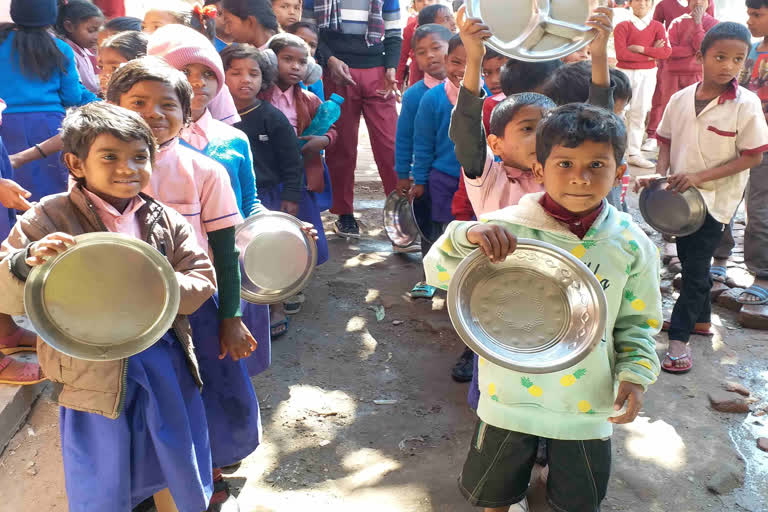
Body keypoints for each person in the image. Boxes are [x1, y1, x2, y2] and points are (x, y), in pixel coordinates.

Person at [429, 19, 661, 512]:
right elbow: (439, 272)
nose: (580, 178)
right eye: (564, 165)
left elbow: (639, 321)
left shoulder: (630, 244)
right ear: (538, 169)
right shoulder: (509, 226)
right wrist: (465, 233)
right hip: (508, 396)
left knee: (576, 501)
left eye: (597, 166)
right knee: (494, 496)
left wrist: (636, 373)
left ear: (620, 171)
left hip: (587, 403)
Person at [0, 102, 217, 512]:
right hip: (88, 370)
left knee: (171, 452)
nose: (128, 168)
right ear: (75, 163)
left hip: (161, 357)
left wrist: (158, 287)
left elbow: (201, 279)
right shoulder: (47, 218)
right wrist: (25, 261)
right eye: (110, 157)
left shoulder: (165, 219)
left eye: (140, 157)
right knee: (103, 467)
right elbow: (2, 289)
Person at [106, 57, 262, 508]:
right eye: (138, 102)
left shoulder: (203, 171)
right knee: (141, 399)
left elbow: (226, 253)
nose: (152, 113)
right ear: (113, 105)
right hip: (122, 310)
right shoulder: (104, 171)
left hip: (194, 305)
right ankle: (145, 483)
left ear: (188, 112)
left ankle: (205, 474)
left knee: (207, 389)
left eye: (167, 104)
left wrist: (231, 316)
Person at [451, 5, 619, 387]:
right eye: (527, 128)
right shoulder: (487, 175)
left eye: (546, 128)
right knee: (499, 379)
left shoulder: (558, 175)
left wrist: (598, 54)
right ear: (495, 142)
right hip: (498, 288)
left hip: (561, 288)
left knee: (559, 370)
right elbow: (465, 130)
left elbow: (598, 124)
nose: (539, 136)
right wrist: (474, 59)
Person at [640, 22, 768, 373]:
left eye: (738, 59)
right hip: (680, 200)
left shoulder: (746, 104)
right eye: (720, 57)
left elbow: (752, 156)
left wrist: (698, 177)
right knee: (688, 254)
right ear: (701, 57)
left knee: (696, 269)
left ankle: (679, 338)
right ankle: (700, 321)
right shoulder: (681, 99)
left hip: (716, 201)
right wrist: (661, 172)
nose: (728, 66)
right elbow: (665, 139)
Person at [222, 42, 305, 337]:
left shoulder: (272, 117)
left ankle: (276, 306)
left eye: (254, 74)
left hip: (266, 197)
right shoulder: (213, 117)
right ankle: (241, 311)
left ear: (264, 78)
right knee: (238, 258)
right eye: (236, 73)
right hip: (228, 199)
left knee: (270, 255)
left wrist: (291, 197)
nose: (246, 80)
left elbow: (293, 161)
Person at [301, 0, 403, 239]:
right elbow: (309, 34)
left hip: (377, 72)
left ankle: (401, 213)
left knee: (391, 147)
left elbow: (394, 33)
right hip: (336, 70)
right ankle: (344, 213)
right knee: (341, 146)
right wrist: (330, 60)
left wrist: (391, 68)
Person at [710, 0, 768, 322]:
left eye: (757, 14)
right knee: (726, 200)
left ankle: (761, 273)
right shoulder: (748, 51)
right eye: (749, 13)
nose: (750, 20)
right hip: (733, 138)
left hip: (765, 146)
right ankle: (720, 258)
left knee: (759, 208)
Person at [394, 23, 453, 297]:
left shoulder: (474, 89)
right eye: (421, 52)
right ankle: (431, 277)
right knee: (430, 227)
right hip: (431, 175)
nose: (430, 56)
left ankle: (460, 281)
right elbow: (405, 138)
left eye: (436, 48)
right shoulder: (415, 95)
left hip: (468, 175)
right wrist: (404, 173)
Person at [143, 1, 242, 125]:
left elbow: (229, 130)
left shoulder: (217, 91)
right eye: (143, 27)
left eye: (157, 27)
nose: (199, 82)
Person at [645, 0, 717, 147]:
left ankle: (688, 147)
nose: (697, 2)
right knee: (668, 109)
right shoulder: (676, 21)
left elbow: (703, 48)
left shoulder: (714, 24)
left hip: (695, 74)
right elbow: (668, 49)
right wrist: (692, 50)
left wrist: (697, 24)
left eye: (702, 0)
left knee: (693, 111)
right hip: (670, 73)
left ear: (708, 3)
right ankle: (659, 141)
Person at [614, 0, 671, 169]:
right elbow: (621, 54)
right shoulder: (622, 26)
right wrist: (651, 55)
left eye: (647, 0)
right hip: (624, 73)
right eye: (638, 0)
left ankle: (634, 153)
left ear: (652, 4)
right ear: (630, 3)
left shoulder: (657, 27)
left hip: (647, 74)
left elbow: (666, 52)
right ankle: (615, 151)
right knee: (619, 112)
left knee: (639, 112)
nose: (642, 3)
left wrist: (641, 49)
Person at [56, 0, 105, 95]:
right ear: (69, 26)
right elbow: (75, 90)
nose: (97, 36)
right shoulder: (67, 53)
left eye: (99, 30)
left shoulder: (85, 50)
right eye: (91, 30)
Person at [396, 0, 442, 89]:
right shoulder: (410, 28)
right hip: (418, 80)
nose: (425, 3)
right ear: (414, 5)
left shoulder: (447, 24)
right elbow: (402, 57)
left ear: (437, 1)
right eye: (420, 0)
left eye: (430, 0)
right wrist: (398, 83)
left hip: (443, 82)